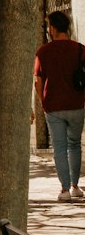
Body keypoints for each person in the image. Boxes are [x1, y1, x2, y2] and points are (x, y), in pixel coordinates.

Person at [34, 11, 85, 203]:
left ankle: (64, 189)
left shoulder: (43, 51)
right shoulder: (80, 49)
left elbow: (38, 82)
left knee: (60, 147)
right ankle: (75, 186)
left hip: (53, 105)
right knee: (74, 144)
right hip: (76, 104)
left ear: (53, 28)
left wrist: (42, 102)